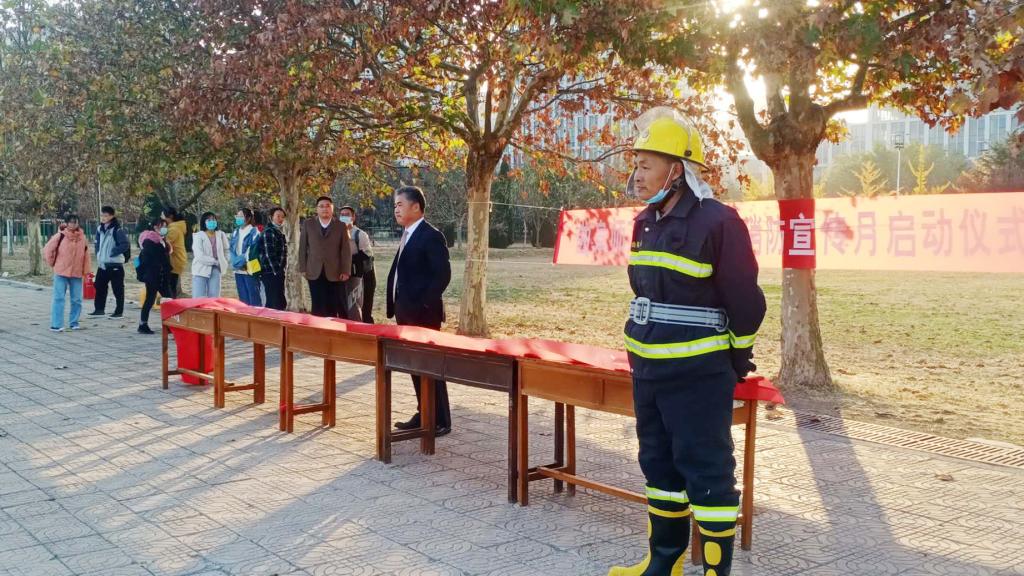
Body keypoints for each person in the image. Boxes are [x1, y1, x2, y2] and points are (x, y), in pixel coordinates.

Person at [608, 108, 766, 576]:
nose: (637, 175)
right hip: (649, 372)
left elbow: (746, 302)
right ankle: (663, 564)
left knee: (707, 473)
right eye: (636, 164)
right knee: (658, 466)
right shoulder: (645, 221)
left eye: (646, 165)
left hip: (698, 376)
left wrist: (736, 358)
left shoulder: (719, 222)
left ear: (676, 170)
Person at [387, 186, 452, 437]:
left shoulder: (430, 235)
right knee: (415, 366)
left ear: (416, 207)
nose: (396, 209)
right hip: (405, 313)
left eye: (400, 204)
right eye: (395, 205)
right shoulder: (407, 234)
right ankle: (424, 411)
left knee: (431, 366)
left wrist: (424, 304)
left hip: (424, 316)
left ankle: (441, 419)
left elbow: (442, 275)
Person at [298, 196, 351, 317]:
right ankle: (317, 327)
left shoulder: (340, 226)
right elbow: (302, 247)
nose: (324, 209)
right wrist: (303, 268)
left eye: (327, 206)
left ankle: (331, 326)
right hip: (314, 270)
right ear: (317, 209)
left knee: (332, 305)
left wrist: (345, 270)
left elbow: (345, 250)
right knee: (317, 305)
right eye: (321, 206)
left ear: (332, 208)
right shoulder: (308, 224)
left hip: (335, 272)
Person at [43, 215, 91, 332]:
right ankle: (56, 324)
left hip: (76, 273)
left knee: (77, 300)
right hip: (61, 271)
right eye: (71, 222)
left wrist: (86, 271)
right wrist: (53, 263)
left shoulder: (82, 238)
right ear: (67, 223)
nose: (73, 224)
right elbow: (48, 249)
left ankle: (74, 322)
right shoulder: (60, 236)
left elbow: (86, 256)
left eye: (75, 222)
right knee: (59, 298)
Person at [90, 205, 130, 319]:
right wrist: (98, 253)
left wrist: (113, 252)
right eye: (102, 215)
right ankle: (99, 310)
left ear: (112, 216)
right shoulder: (100, 229)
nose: (103, 218)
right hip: (102, 264)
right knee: (99, 286)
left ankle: (118, 312)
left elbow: (125, 244)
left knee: (118, 289)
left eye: (106, 215)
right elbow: (97, 243)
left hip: (115, 265)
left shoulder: (117, 229)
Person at [340, 206, 376, 324]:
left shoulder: (360, 234)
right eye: (342, 215)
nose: (344, 217)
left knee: (359, 306)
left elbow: (367, 255)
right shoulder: (337, 233)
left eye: (347, 214)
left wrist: (348, 260)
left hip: (359, 276)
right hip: (343, 276)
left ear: (353, 217)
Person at [136, 219, 171, 334]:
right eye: (162, 226)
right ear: (155, 227)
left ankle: (169, 324)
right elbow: (155, 257)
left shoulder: (160, 239)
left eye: (166, 226)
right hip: (153, 275)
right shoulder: (149, 240)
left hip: (161, 274)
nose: (165, 228)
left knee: (168, 299)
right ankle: (143, 324)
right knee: (151, 299)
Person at [191, 212, 231, 298]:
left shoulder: (221, 234)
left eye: (213, 219)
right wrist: (215, 261)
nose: (212, 222)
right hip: (200, 269)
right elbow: (199, 255)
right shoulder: (199, 236)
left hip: (216, 269)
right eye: (209, 220)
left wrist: (225, 261)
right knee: (198, 297)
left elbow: (226, 249)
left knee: (214, 297)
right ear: (204, 222)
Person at [229, 208, 262, 306]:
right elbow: (231, 249)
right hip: (238, 270)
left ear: (248, 218)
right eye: (237, 216)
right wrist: (235, 262)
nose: (238, 218)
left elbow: (251, 251)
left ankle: (255, 315)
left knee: (254, 297)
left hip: (251, 268)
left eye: (241, 216)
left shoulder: (254, 232)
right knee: (243, 298)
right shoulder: (235, 232)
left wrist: (239, 262)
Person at [259, 207, 288, 311]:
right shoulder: (269, 232)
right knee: (274, 302)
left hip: (277, 272)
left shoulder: (278, 232)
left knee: (279, 301)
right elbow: (269, 254)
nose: (280, 219)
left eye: (282, 217)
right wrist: (277, 272)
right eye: (278, 216)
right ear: (271, 217)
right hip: (271, 273)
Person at [161, 206, 187, 298]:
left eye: (163, 215)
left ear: (170, 216)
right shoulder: (175, 227)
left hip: (174, 262)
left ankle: (171, 303)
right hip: (176, 261)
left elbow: (164, 244)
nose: (161, 217)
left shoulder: (173, 229)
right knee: (171, 286)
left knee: (170, 288)